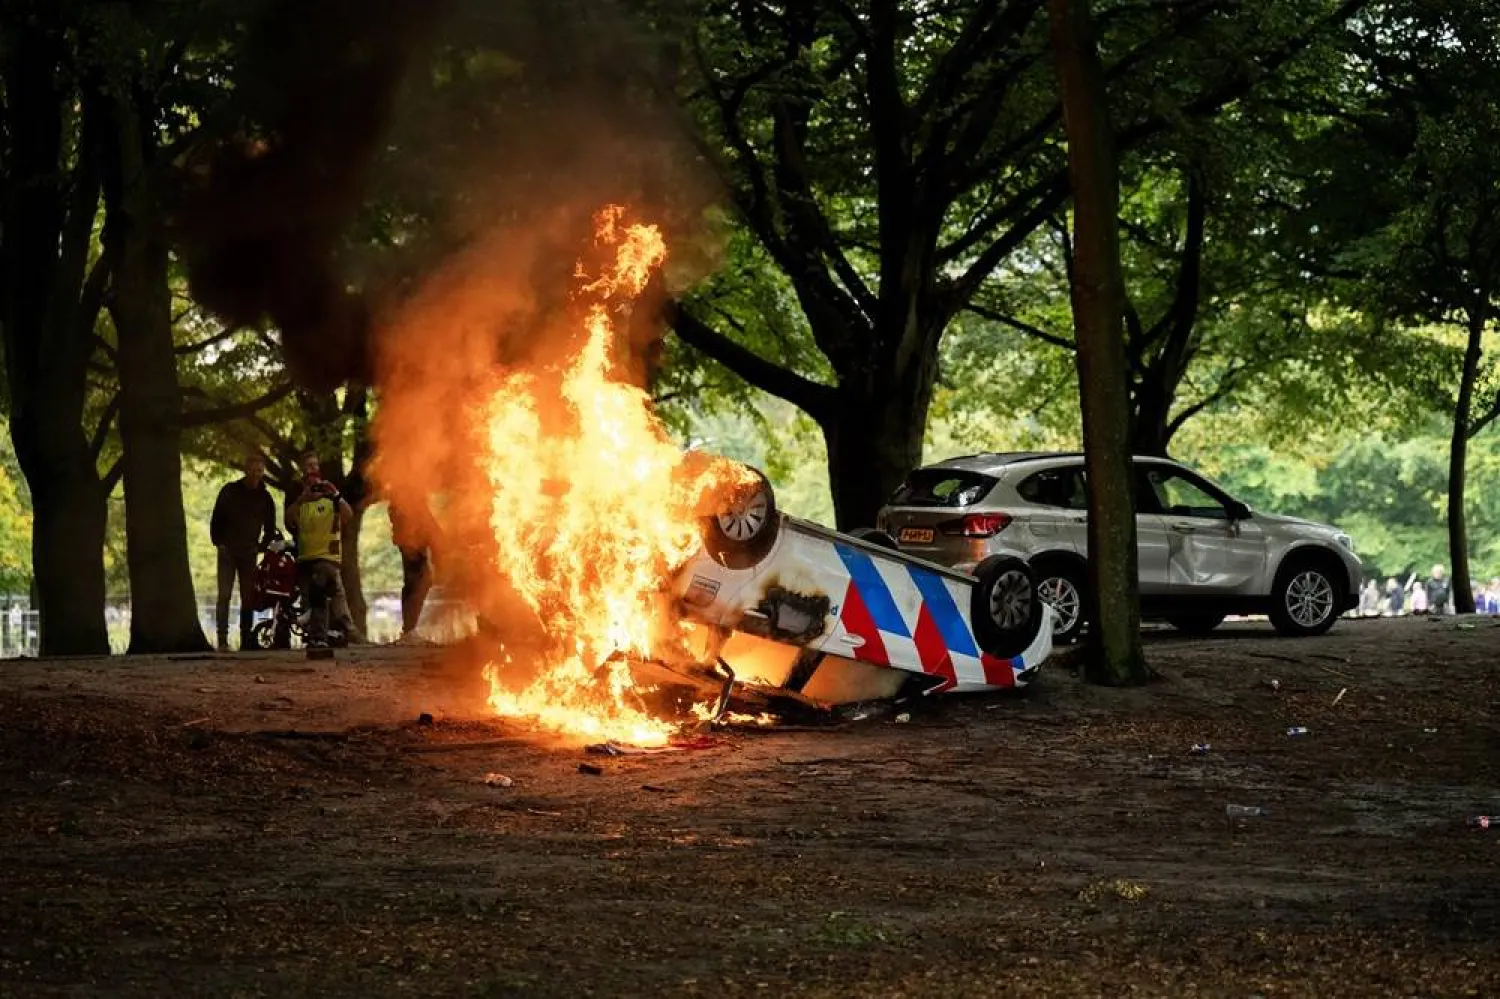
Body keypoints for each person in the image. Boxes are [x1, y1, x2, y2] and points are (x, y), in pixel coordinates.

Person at [209, 452, 277, 651]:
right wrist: (218, 542)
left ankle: (246, 638)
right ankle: (222, 639)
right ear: (246, 470)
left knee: (248, 597)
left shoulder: (265, 497)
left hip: (249, 553)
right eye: (253, 470)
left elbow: (270, 527)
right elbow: (216, 518)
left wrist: (261, 547)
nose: (256, 474)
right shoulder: (229, 491)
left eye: (259, 471)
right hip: (228, 551)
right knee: (224, 595)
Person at [286, 452, 354, 648]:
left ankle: (323, 637)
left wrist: (335, 494)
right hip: (305, 557)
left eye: (315, 465)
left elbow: (348, 515)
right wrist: (302, 500)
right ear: (302, 471)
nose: (313, 470)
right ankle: (320, 638)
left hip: (327, 557)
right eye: (308, 466)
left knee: (318, 591)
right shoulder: (299, 497)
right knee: (311, 601)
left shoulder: (331, 496)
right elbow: (289, 520)